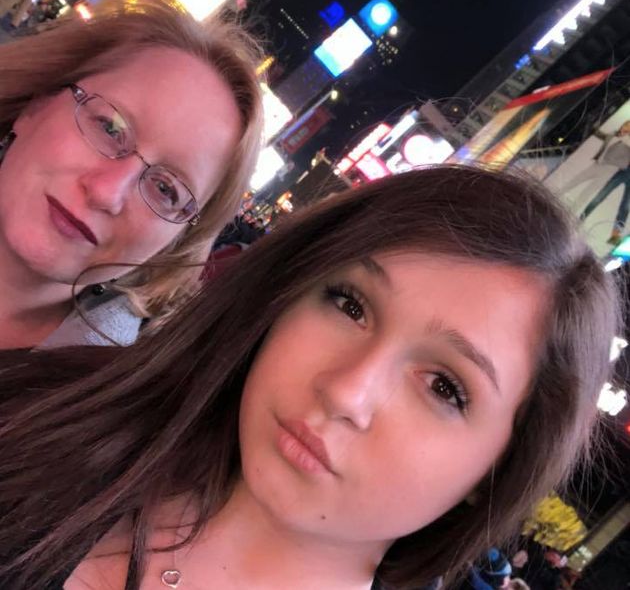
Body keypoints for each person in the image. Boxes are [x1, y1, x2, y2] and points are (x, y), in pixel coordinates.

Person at [0, 165, 619, 590]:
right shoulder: (39, 413)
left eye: (444, 387)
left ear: (494, 475)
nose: (347, 391)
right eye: (351, 304)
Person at [0, 0, 264, 349]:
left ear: (176, 243)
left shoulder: (95, 401)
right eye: (110, 128)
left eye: (165, 189)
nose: (108, 192)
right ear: (37, 104)